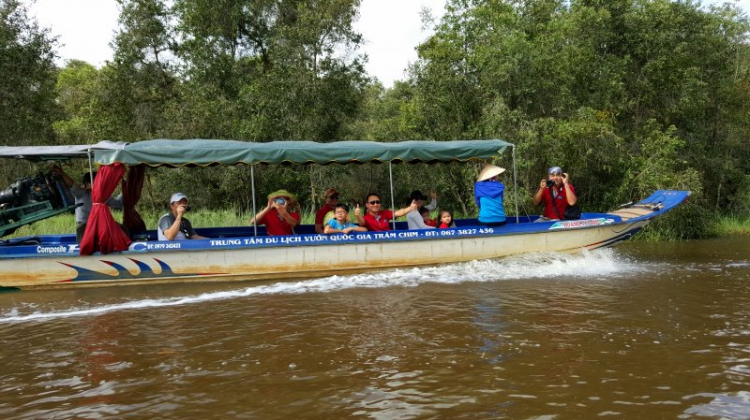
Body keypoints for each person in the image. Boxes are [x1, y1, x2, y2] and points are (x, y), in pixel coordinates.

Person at [50, 165, 123, 243]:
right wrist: (62, 173)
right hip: (85, 224)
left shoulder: (104, 196)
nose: (100, 185)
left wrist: (126, 189)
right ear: (87, 184)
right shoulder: (81, 193)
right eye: (97, 182)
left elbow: (117, 204)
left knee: (122, 229)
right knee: (84, 236)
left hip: (101, 224)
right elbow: (72, 185)